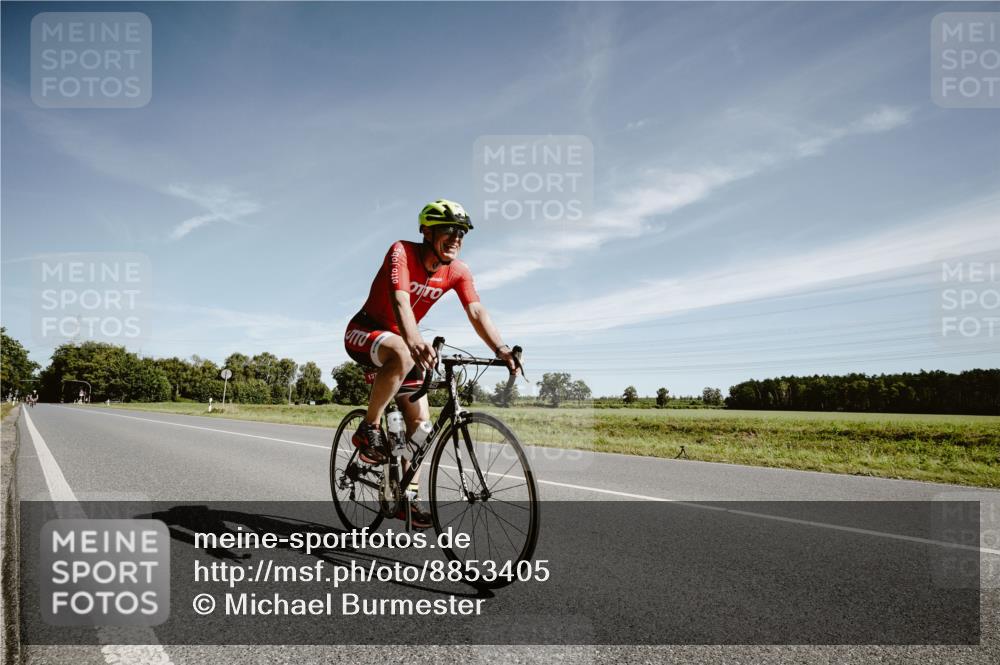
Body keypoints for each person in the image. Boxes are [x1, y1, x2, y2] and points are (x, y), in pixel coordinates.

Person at [343, 199, 518, 528]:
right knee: (403, 352)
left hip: (405, 343)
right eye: (449, 230)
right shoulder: (402, 252)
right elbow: (399, 300)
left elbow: (477, 311)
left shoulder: (458, 271)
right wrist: (414, 340)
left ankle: (406, 496)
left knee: (422, 428)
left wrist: (501, 348)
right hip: (366, 331)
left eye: (462, 233)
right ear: (426, 230)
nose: (456, 238)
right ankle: (369, 429)